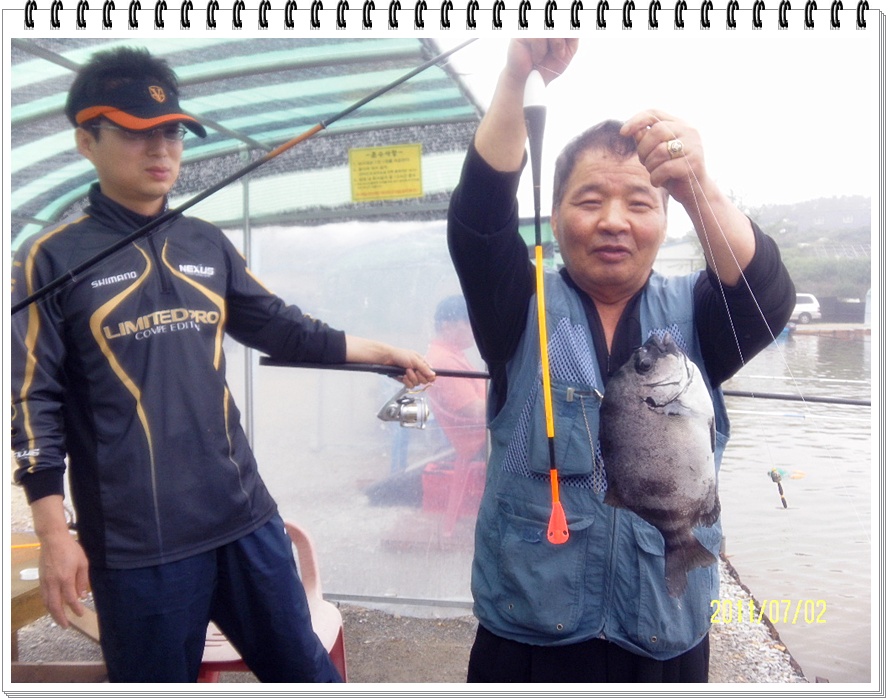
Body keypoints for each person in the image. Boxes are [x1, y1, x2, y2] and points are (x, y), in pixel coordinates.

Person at [10, 46, 435, 683]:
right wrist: (53, 535)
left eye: (173, 132)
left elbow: (283, 329)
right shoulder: (49, 257)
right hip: (137, 546)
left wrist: (381, 354)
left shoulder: (205, 241)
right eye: (137, 132)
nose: (161, 150)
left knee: (310, 678)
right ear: (86, 140)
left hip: (244, 518)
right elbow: (32, 400)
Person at [446, 39, 795, 683]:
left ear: (665, 219)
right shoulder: (516, 304)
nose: (613, 221)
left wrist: (697, 186)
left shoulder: (701, 317)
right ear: (555, 218)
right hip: (525, 640)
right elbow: (478, 222)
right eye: (588, 201)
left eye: (639, 202)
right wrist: (516, 77)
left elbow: (767, 296)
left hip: (664, 639)